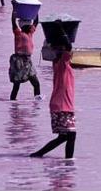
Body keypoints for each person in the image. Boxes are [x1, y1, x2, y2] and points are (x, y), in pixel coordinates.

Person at [30, 21, 76, 159]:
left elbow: (67, 47)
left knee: (64, 136)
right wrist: (60, 28)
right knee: (70, 135)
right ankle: (68, 163)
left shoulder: (58, 62)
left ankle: (40, 154)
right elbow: (68, 46)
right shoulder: (62, 62)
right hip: (63, 106)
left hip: (61, 105)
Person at [9, 2, 41, 100]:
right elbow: (13, 22)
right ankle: (12, 103)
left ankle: (37, 102)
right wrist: (13, 12)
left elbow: (36, 22)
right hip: (19, 61)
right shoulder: (18, 33)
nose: (31, 27)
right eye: (28, 26)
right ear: (23, 27)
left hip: (28, 61)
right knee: (16, 85)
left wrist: (35, 10)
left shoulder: (30, 32)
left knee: (36, 83)